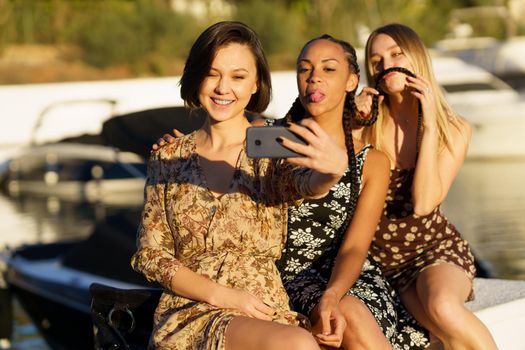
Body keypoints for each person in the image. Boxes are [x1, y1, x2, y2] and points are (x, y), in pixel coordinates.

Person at [153, 34, 431, 350]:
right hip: (281, 280)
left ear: (352, 80)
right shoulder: (266, 138)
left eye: (328, 70)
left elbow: (354, 247)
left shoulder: (370, 161)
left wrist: (333, 293)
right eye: (304, 69)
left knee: (348, 311)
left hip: (344, 278)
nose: (314, 78)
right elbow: (223, 148)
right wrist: (181, 150)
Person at [131, 21, 349, 350]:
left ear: (255, 84)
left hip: (265, 311)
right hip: (193, 313)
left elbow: (303, 185)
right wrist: (223, 295)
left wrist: (331, 173)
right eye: (212, 73)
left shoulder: (273, 151)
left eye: (237, 76)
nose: (223, 88)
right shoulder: (168, 157)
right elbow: (150, 254)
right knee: (298, 346)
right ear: (196, 76)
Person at [354, 23, 498, 349]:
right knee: (442, 336)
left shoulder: (453, 128)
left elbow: (423, 203)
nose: (386, 63)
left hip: (434, 251)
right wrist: (353, 124)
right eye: (376, 60)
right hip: (387, 264)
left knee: (443, 308)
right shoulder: (366, 125)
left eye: (395, 54)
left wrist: (430, 125)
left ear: (416, 58)